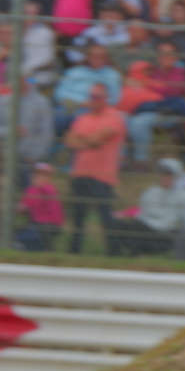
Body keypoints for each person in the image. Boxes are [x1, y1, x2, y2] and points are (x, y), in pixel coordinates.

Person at [64, 83, 125, 253]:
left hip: (103, 177)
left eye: (97, 97)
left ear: (105, 99)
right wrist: (89, 141)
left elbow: (98, 139)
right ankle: (74, 254)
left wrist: (83, 140)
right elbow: (70, 141)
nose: (93, 100)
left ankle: (113, 255)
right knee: (78, 219)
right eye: (91, 97)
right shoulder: (82, 119)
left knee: (106, 219)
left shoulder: (114, 117)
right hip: (80, 174)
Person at [17, 161, 65, 250]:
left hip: (46, 225)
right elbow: (23, 208)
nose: (39, 177)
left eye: (44, 175)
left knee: (24, 238)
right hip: (40, 224)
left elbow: (24, 207)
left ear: (49, 177)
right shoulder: (35, 189)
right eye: (37, 174)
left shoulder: (46, 189)